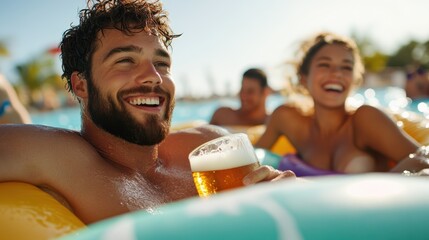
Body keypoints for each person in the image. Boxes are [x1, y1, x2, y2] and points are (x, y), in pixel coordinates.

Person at [0, 0, 294, 225]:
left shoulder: (208, 147)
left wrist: (293, 195)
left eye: (162, 64)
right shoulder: (51, 155)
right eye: (125, 60)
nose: (154, 76)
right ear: (81, 84)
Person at [255, 32, 429, 175]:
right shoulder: (287, 119)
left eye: (346, 67)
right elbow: (252, 161)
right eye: (324, 65)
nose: (337, 73)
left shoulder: (365, 120)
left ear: (354, 80)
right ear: (303, 78)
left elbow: (424, 159)